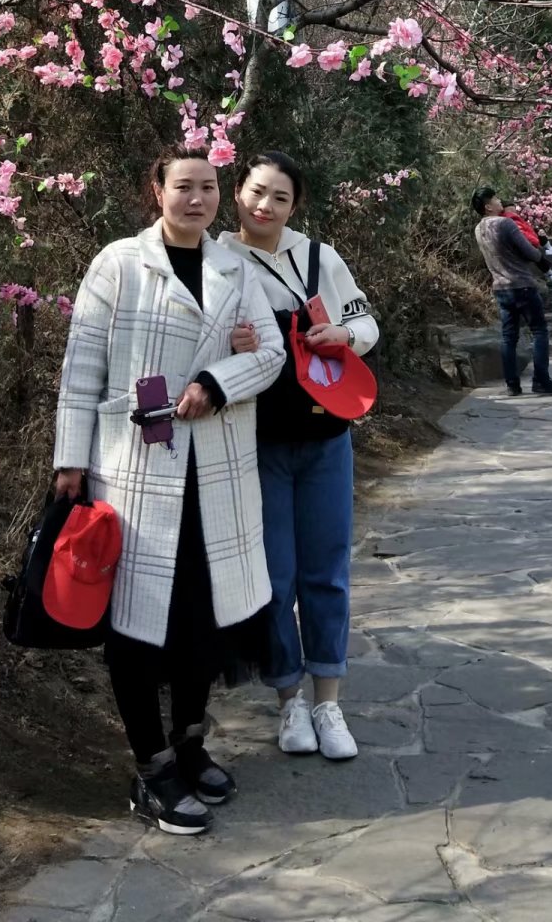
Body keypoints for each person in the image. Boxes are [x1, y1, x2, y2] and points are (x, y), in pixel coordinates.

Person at [52, 147, 285, 836]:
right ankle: (151, 768)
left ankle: (189, 743)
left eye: (209, 187)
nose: (197, 198)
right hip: (135, 471)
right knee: (137, 623)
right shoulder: (118, 263)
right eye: (183, 186)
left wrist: (218, 382)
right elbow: (82, 367)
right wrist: (70, 460)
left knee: (203, 621)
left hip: (217, 473)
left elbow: (272, 355)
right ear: (156, 191)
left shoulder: (236, 267)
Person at [218, 151, 377, 763]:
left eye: (280, 197)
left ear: (294, 205)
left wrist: (345, 334)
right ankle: (289, 699)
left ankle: (328, 700)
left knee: (327, 572)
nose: (266, 206)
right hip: (256, 442)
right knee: (274, 576)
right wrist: (229, 343)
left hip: (325, 438)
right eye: (257, 192)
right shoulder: (217, 261)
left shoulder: (319, 258)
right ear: (238, 191)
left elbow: (365, 321)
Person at [472, 186, 552, 396]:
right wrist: (540, 253)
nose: (499, 202)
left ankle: (512, 384)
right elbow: (530, 252)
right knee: (539, 331)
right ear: (488, 207)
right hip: (521, 284)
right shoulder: (505, 224)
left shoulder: (479, 229)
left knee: (508, 337)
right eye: (495, 199)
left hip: (500, 287)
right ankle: (541, 380)